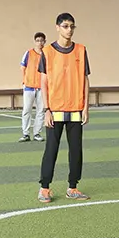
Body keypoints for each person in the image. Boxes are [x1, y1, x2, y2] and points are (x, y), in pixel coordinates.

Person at [37, 14, 89, 202]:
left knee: (76, 151)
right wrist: (46, 109)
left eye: (72, 26)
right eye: (65, 26)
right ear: (57, 27)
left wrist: (86, 108)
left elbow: (85, 80)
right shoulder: (47, 52)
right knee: (51, 149)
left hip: (76, 109)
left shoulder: (81, 50)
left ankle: (73, 187)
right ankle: (44, 188)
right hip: (55, 110)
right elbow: (43, 82)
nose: (69, 30)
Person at [18, 32, 46, 142]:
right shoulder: (28, 53)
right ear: (35, 42)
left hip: (41, 87)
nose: (40, 43)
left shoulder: (46, 54)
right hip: (29, 86)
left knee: (41, 111)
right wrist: (24, 81)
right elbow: (22, 67)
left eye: (42, 40)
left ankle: (37, 133)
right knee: (26, 110)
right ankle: (25, 133)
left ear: (44, 42)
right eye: (38, 40)